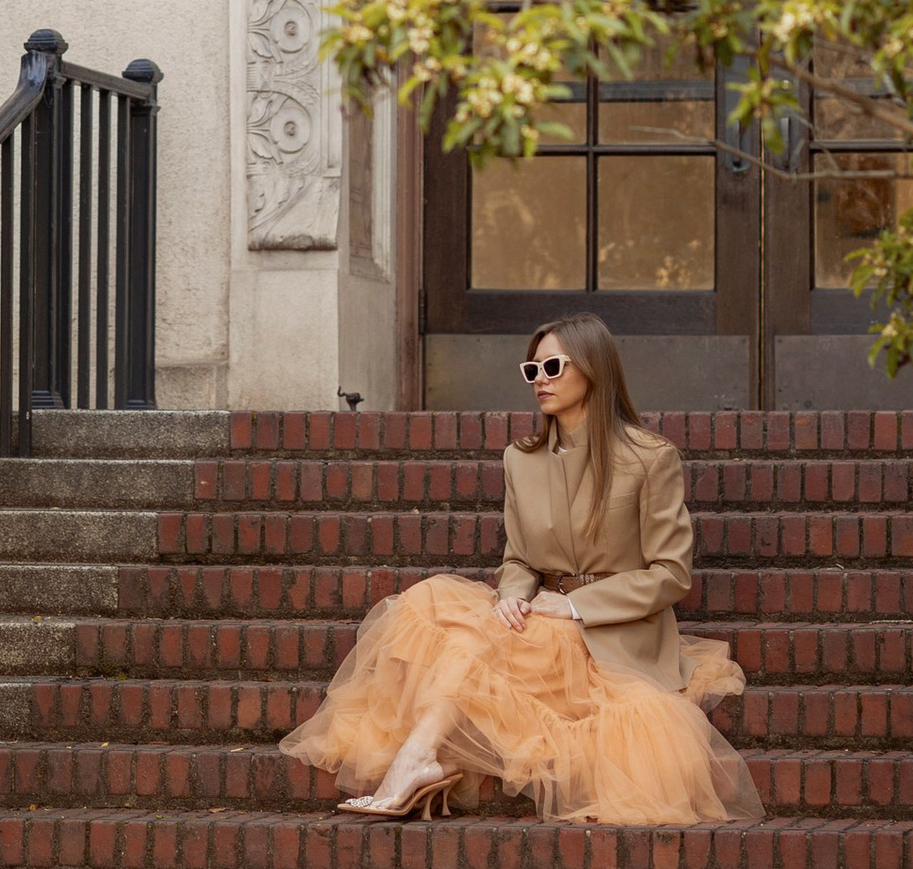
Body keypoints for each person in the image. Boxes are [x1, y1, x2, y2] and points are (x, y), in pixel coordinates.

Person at [282, 311, 763, 827]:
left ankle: (419, 759)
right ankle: (420, 756)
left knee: (481, 641)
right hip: (536, 614)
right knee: (433, 605)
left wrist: (576, 605)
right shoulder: (522, 459)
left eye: (553, 366)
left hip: (613, 632)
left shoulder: (649, 458)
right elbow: (518, 558)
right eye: (531, 371)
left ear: (594, 369)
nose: (541, 381)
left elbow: (671, 573)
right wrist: (512, 592)